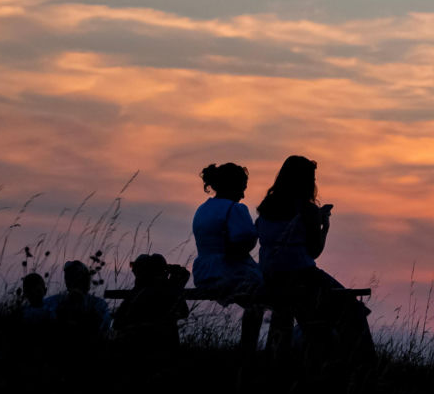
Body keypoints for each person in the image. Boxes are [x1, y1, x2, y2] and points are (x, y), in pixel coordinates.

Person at [255, 155, 374, 364]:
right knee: (353, 311)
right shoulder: (307, 209)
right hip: (302, 277)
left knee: (307, 317)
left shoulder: (266, 207)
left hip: (269, 276)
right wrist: (324, 226)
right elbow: (314, 251)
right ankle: (364, 366)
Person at [191, 162, 264, 353]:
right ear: (234, 186)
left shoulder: (202, 209)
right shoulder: (235, 209)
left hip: (204, 273)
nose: (243, 195)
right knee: (265, 296)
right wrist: (257, 230)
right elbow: (244, 241)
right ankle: (249, 347)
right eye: (242, 188)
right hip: (229, 272)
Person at [113, 253, 190, 353]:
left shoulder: (136, 293)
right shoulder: (165, 289)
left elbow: (117, 323)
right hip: (159, 348)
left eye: (137, 270)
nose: (134, 272)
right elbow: (183, 312)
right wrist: (176, 281)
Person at [45, 260, 111, 338]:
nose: (74, 281)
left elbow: (103, 326)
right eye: (70, 277)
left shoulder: (98, 304)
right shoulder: (53, 302)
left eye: (77, 277)